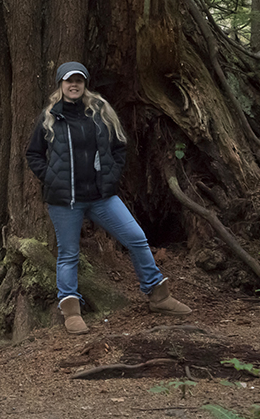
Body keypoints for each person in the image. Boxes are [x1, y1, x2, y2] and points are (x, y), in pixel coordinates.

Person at [25, 61, 191, 334]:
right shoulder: (49, 116)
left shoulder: (100, 112)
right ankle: (71, 311)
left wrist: (111, 176)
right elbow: (33, 154)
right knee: (68, 254)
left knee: (136, 238)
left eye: (78, 80)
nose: (74, 84)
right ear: (60, 84)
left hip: (101, 197)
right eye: (69, 81)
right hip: (65, 200)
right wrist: (51, 178)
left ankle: (158, 296)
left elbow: (119, 147)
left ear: (84, 83)